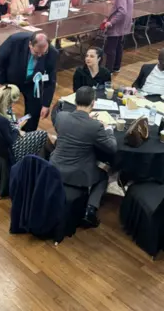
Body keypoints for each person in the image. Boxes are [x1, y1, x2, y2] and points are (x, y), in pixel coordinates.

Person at [50, 86, 117, 228]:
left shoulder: (61, 116)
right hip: (77, 174)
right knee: (103, 176)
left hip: (55, 166)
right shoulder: (95, 126)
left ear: (75, 101)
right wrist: (109, 129)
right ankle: (90, 210)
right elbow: (112, 148)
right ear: (93, 103)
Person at [0, 32, 59, 132]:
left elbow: (51, 81)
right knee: (4, 109)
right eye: (37, 53)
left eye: (43, 53)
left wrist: (46, 104)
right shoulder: (15, 41)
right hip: (11, 80)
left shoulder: (52, 53)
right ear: (30, 45)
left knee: (34, 111)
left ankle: (28, 136)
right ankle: (6, 134)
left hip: (33, 84)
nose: (40, 55)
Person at [0, 84, 49, 161]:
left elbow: (5, 130)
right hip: (12, 148)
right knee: (43, 134)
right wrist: (18, 129)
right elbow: (11, 138)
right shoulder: (2, 119)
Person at [103, 0, 133, 74]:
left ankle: (108, 70)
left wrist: (111, 22)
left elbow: (122, 11)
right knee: (118, 46)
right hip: (124, 25)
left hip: (117, 25)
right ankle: (116, 67)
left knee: (111, 47)